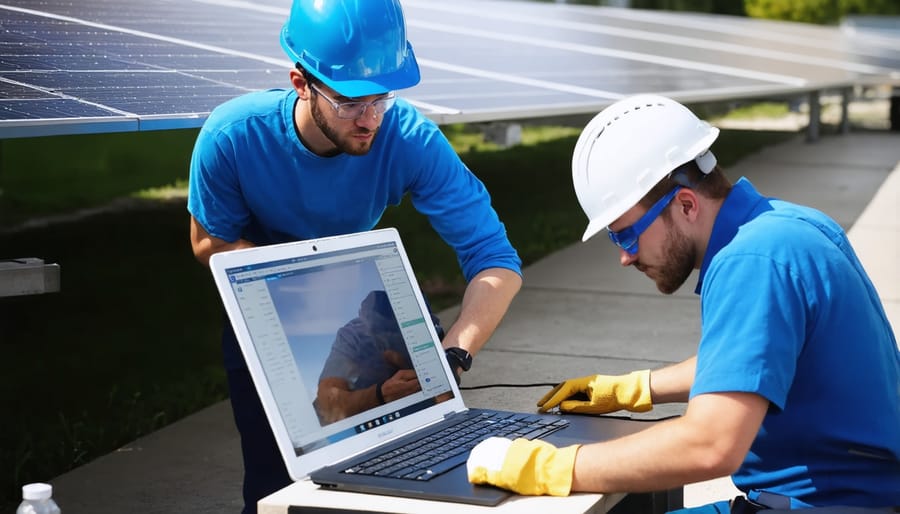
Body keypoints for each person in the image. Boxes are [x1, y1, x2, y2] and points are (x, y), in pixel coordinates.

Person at [466, 94, 900, 512]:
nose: (625, 256)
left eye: (626, 234)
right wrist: (633, 388)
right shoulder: (785, 225)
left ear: (687, 204)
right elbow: (751, 359)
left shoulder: (751, 262)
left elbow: (711, 445)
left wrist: (548, 466)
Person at [187, 0, 522, 511]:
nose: (370, 120)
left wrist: (450, 356)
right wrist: (292, 284)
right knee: (276, 489)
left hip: (368, 303)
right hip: (266, 307)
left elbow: (494, 258)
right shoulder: (233, 136)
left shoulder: (408, 138)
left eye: (381, 98)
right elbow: (207, 242)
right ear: (301, 82)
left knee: (408, 476)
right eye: (350, 102)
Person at [315, 290, 426, 425]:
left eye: (389, 330)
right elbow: (329, 406)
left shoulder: (419, 318)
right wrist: (380, 394)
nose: (384, 339)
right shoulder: (352, 335)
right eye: (375, 332)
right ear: (362, 315)